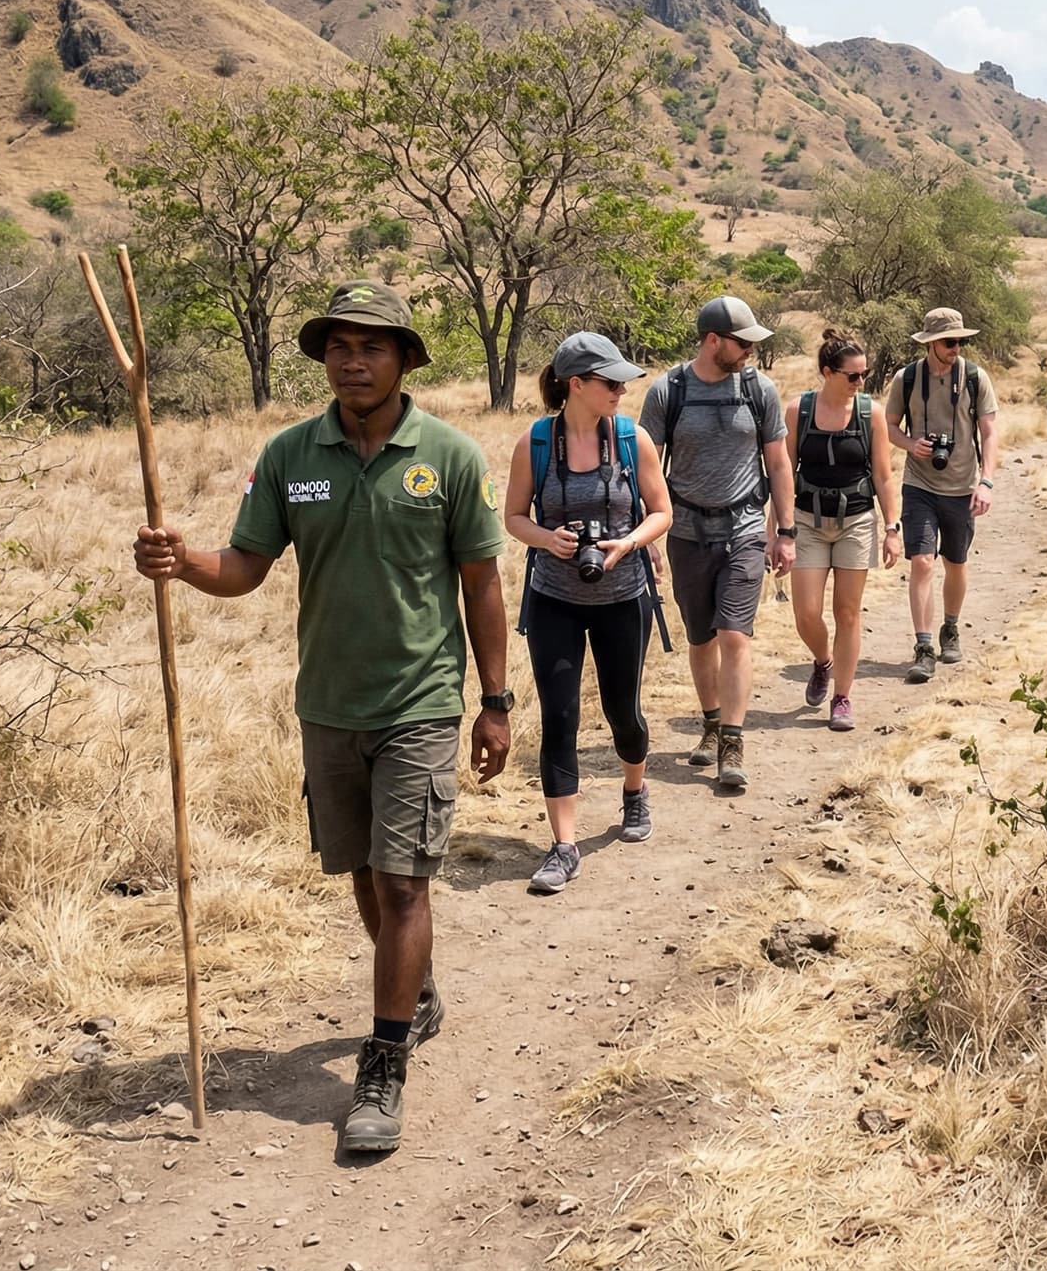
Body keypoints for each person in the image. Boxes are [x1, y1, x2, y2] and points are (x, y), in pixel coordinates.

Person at [132, 280, 512, 1155]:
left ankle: (382, 1064)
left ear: (405, 359)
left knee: (405, 878)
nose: (352, 360)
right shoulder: (290, 454)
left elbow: (482, 584)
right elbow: (244, 567)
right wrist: (181, 560)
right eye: (339, 346)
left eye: (371, 345)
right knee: (365, 876)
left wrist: (494, 703)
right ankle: (413, 992)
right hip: (327, 707)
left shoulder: (449, 456)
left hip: (419, 701)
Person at [501, 333, 673, 895]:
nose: (622, 390)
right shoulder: (536, 442)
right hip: (554, 598)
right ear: (577, 385)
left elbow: (662, 511)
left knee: (624, 711)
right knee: (560, 716)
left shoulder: (632, 438)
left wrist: (627, 543)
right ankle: (564, 846)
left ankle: (634, 790)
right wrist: (548, 539)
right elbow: (513, 518)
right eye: (610, 382)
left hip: (622, 597)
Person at [638, 295, 795, 791]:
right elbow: (646, 466)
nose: (750, 350)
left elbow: (778, 463)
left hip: (744, 530)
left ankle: (732, 739)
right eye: (742, 341)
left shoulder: (759, 389)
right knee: (701, 638)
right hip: (685, 532)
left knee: (734, 636)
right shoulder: (668, 391)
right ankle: (709, 723)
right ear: (712, 341)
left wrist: (784, 531)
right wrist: (649, 535)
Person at [784, 327, 900, 732]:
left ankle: (842, 697)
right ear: (827, 372)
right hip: (807, 521)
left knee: (847, 613)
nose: (860, 382)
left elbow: (884, 477)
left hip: (856, 521)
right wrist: (777, 530)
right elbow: (783, 473)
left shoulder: (871, 414)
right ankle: (822, 661)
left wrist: (892, 527)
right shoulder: (798, 410)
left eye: (864, 375)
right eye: (852, 375)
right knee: (807, 613)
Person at [883, 306, 1001, 683]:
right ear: (931, 343)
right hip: (919, 484)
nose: (957, 348)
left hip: (963, 486)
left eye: (961, 341)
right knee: (921, 562)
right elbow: (889, 427)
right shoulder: (907, 378)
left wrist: (987, 482)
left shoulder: (974, 378)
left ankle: (950, 627)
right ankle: (923, 647)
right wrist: (909, 444)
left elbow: (990, 432)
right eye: (950, 342)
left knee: (956, 563)